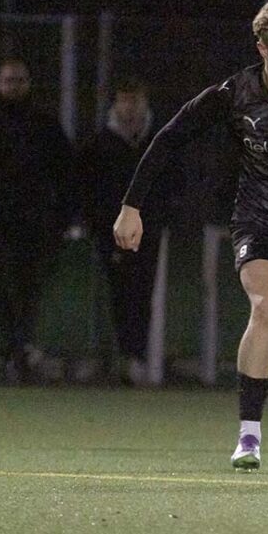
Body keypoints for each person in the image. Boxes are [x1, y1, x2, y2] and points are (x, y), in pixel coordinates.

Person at [113, 0, 268, 472]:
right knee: (266, 306)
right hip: (258, 221)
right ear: (262, 49)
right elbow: (169, 139)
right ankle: (249, 437)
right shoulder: (234, 93)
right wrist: (131, 205)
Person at [0, 57, 74, 383]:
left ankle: (19, 352)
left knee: (27, 291)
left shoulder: (44, 124)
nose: (15, 86)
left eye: (20, 80)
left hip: (32, 225)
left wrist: (62, 219)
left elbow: (65, 174)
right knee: (1, 290)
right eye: (9, 80)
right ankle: (16, 351)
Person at [80, 77, 164, 386]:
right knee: (114, 295)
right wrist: (100, 225)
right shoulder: (100, 144)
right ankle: (115, 358)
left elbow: (172, 186)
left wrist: (159, 219)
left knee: (143, 295)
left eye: (135, 100)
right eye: (124, 100)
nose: (130, 107)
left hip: (149, 233)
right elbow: (89, 189)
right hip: (109, 234)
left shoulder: (158, 141)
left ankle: (136, 357)